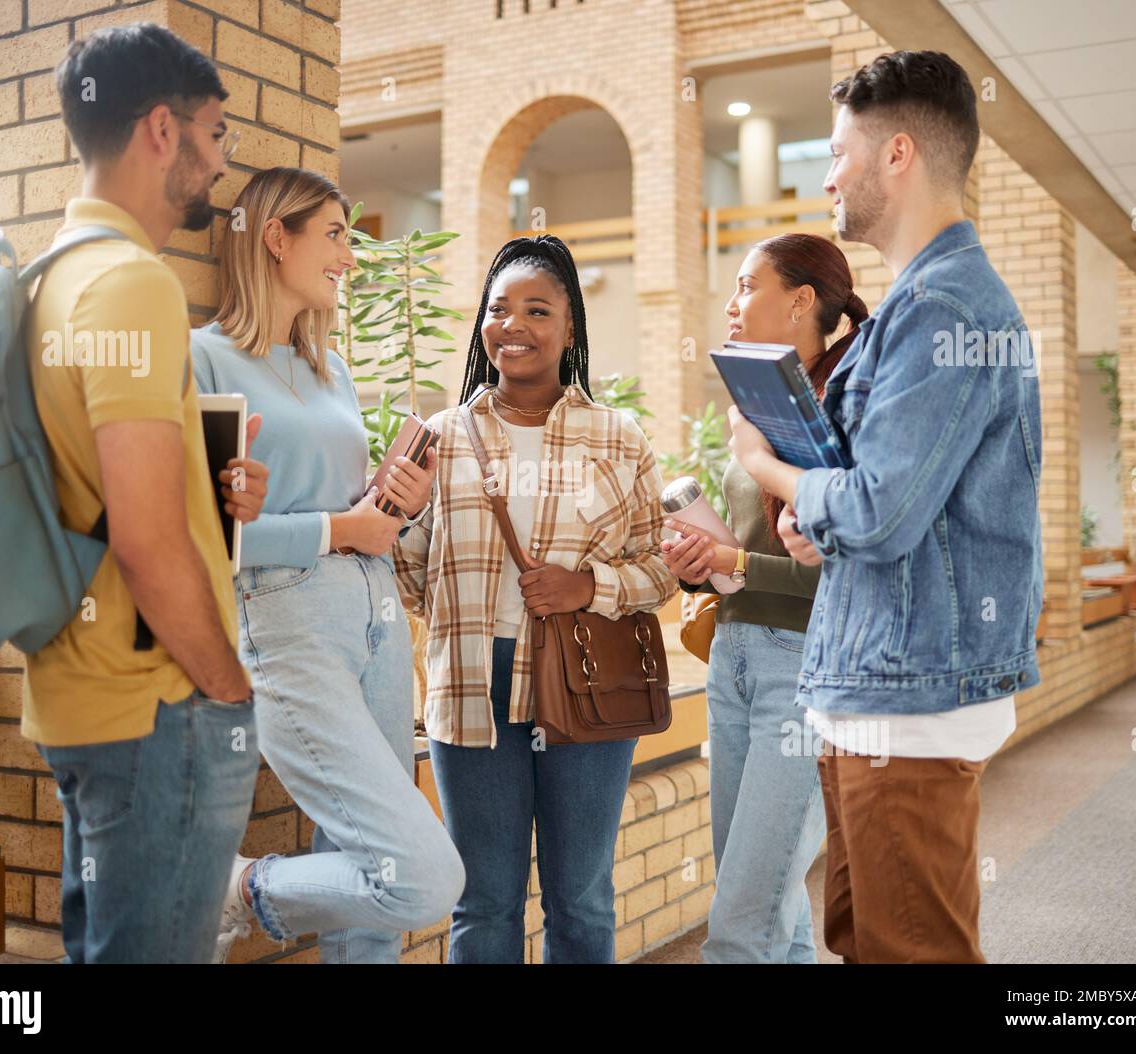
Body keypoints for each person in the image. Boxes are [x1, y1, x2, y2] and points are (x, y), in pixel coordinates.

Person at [728, 50, 1043, 963]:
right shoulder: (913, 307)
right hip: (871, 680)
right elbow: (884, 511)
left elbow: (876, 511)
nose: (825, 175)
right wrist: (814, 528)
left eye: (837, 153)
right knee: (863, 941)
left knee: (912, 950)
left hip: (909, 696)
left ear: (896, 154)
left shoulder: (945, 309)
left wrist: (769, 467)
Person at [24, 24, 269, 963]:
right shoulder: (131, 284)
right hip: (157, 706)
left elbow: (82, 483)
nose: (220, 162)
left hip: (82, 693)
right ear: (163, 131)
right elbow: (145, 540)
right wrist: (228, 687)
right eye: (217, 134)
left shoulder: (47, 277)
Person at [190, 166, 464, 963]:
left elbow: (354, 515)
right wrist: (342, 526)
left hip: (375, 613)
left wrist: (393, 499)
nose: (349, 253)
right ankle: (239, 891)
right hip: (286, 621)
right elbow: (206, 532)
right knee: (419, 874)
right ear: (277, 237)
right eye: (337, 234)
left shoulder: (329, 365)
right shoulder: (202, 359)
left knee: (374, 893)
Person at [393, 235, 678, 963]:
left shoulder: (619, 438)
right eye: (498, 308)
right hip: (470, 688)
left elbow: (661, 570)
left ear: (570, 328)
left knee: (580, 899)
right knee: (482, 901)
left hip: (585, 685)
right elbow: (407, 576)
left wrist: (588, 587)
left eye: (536, 309)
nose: (511, 324)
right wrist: (390, 510)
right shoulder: (442, 438)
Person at [661, 233, 867, 963]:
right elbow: (752, 549)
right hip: (734, 657)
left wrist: (734, 558)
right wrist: (700, 562)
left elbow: (848, 571)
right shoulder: (758, 405)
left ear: (802, 301)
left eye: (748, 286)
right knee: (773, 907)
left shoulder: (844, 411)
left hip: (804, 668)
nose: (731, 302)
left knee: (739, 924)